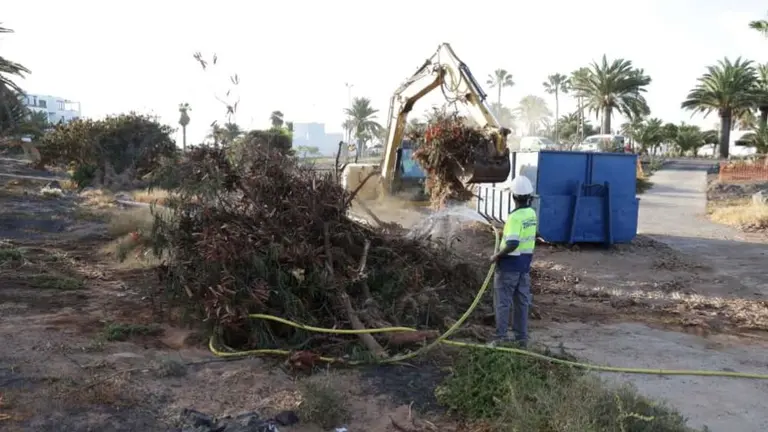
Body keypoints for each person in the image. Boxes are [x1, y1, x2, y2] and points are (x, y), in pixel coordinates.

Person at [489, 175, 537, 347]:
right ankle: (521, 338)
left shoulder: (514, 217)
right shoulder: (531, 214)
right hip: (524, 266)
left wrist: (496, 256)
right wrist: (503, 227)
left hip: (509, 266)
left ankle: (500, 338)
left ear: (514, 196)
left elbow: (513, 243)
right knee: (521, 302)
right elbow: (520, 235)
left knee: (503, 303)